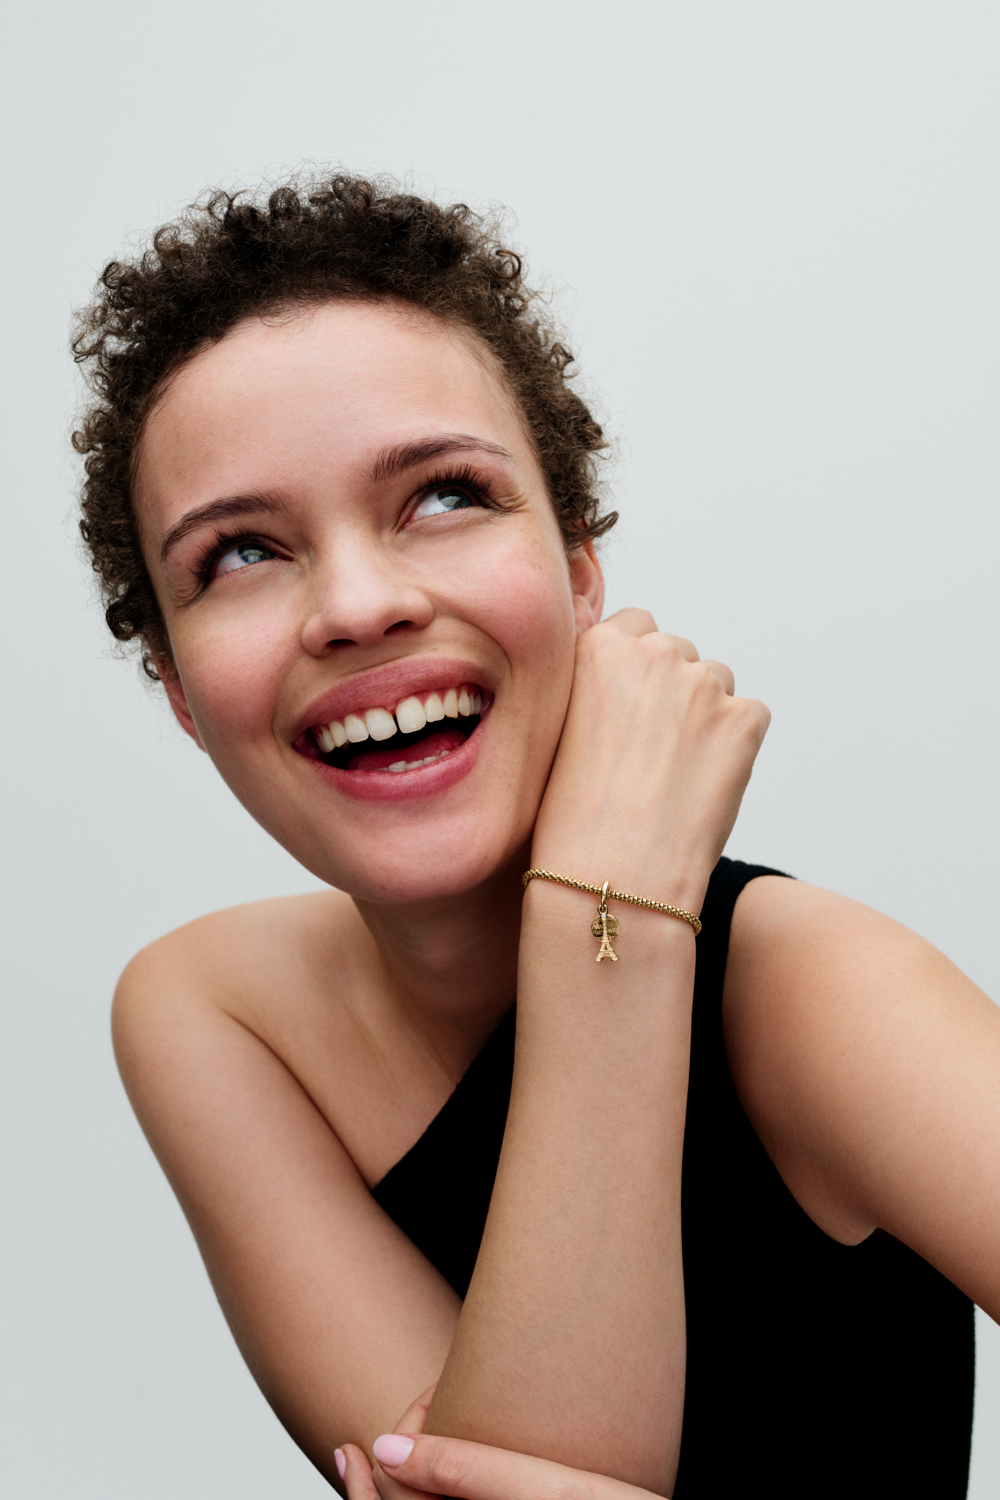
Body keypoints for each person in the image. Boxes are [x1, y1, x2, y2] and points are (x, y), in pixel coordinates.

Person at [72, 173, 998, 1499]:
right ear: (176, 689)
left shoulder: (819, 992)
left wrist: (604, 917)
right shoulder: (211, 1011)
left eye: (443, 495)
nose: (358, 605)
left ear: (577, 575)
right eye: (240, 554)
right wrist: (608, 913)